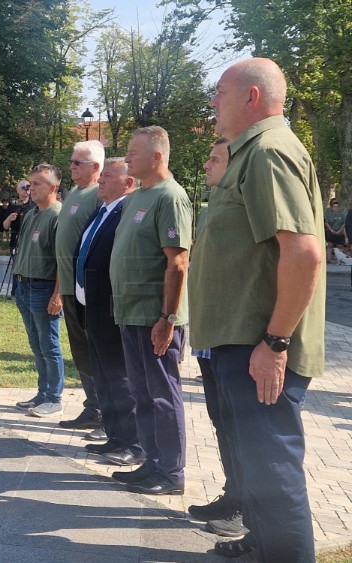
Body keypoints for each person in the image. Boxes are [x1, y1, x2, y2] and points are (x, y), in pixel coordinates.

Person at [190, 57, 325, 562]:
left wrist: (275, 342)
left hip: (259, 346)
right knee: (254, 462)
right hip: (242, 341)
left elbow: (304, 254)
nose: (212, 102)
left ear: (251, 97)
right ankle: (261, 545)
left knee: (271, 468)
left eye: (220, 92)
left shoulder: (268, 151)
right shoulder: (250, 153)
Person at [109, 126, 192, 496]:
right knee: (142, 393)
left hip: (155, 318)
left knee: (161, 394)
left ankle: (171, 472)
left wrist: (168, 318)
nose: (127, 158)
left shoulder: (170, 197)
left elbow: (177, 264)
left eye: (133, 153)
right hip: (130, 314)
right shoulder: (137, 197)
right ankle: (151, 462)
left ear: (157, 156)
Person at [186, 138, 248, 539]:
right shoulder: (210, 209)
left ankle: (245, 509)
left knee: (241, 428)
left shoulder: (242, 209)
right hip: (209, 339)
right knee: (221, 422)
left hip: (233, 336)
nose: (206, 165)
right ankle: (233, 493)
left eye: (214, 159)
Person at [74, 158, 142, 466]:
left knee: (119, 377)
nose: (100, 181)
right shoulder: (103, 211)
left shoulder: (126, 212)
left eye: (108, 177)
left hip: (111, 307)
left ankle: (132, 442)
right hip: (93, 307)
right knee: (103, 376)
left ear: (127, 184)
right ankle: (114, 436)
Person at [56, 141, 103, 434]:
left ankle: (106, 412)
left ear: (96, 167)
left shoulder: (99, 194)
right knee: (80, 351)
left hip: (87, 287)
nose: (71, 166)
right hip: (69, 287)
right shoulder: (74, 192)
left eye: (77, 163)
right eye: (71, 161)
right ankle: (93, 407)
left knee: (95, 350)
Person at [13, 164, 65, 417]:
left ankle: (54, 397)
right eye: (30, 184)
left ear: (53, 188)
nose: (30, 188)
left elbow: (62, 260)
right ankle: (42, 393)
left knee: (49, 344)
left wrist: (58, 294)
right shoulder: (32, 213)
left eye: (37, 184)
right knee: (36, 344)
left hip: (43, 288)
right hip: (23, 286)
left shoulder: (57, 215)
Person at [3, 179, 36, 297]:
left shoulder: (34, 204)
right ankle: (15, 292)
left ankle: (28, 291)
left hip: (30, 241)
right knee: (17, 267)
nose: (26, 190)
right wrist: (9, 218)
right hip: (16, 240)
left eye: (28, 187)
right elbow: (5, 226)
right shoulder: (14, 206)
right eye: (23, 188)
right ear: (18, 190)